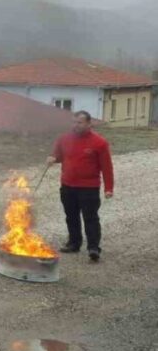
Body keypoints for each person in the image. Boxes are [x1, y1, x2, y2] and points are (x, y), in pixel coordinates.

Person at [46, 110, 114, 262]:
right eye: (74, 122)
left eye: (79, 123)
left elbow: (107, 167)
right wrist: (52, 158)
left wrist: (109, 188)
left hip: (89, 187)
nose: (76, 126)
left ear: (89, 124)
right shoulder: (64, 139)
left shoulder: (99, 143)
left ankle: (93, 248)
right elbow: (57, 156)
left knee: (90, 218)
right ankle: (74, 243)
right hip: (67, 186)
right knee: (71, 216)